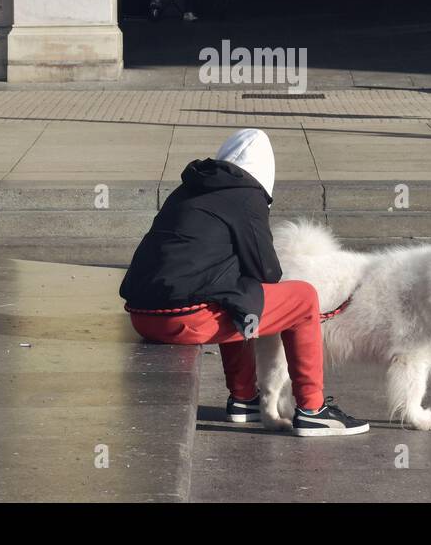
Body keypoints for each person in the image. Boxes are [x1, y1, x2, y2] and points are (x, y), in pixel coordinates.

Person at [119, 128, 369, 437]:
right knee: (302, 297)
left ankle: (244, 400)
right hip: (184, 320)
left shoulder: (189, 190)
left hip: (143, 317)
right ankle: (312, 409)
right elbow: (268, 273)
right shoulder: (246, 197)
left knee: (235, 293)